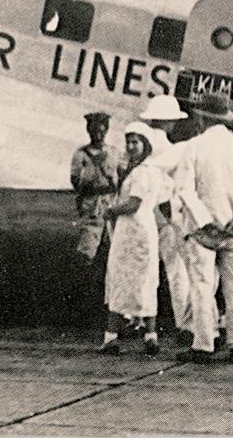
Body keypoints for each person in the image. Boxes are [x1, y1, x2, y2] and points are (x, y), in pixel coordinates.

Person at [174, 93, 233, 364]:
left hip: (204, 230)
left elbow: (184, 189)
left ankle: (203, 343)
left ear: (202, 118)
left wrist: (206, 220)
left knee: (202, 286)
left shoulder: (193, 147)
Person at [99, 122, 163, 356]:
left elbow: (134, 204)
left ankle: (111, 337)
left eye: (136, 142)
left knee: (122, 279)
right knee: (144, 281)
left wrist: (111, 211)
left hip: (134, 230)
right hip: (139, 229)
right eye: (128, 142)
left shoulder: (143, 172)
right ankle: (149, 335)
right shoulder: (144, 170)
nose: (131, 146)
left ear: (146, 144)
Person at [138, 95, 193, 345]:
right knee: (176, 267)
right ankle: (184, 322)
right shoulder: (175, 150)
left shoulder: (139, 146)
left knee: (141, 264)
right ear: (171, 122)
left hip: (141, 209)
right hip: (165, 209)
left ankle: (135, 317)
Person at [71, 111, 121, 265]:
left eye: (102, 131)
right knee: (88, 245)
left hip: (110, 201)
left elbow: (122, 175)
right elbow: (75, 181)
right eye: (94, 131)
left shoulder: (113, 152)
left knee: (112, 244)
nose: (98, 135)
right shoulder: (81, 154)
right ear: (89, 131)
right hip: (91, 203)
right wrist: (91, 169)